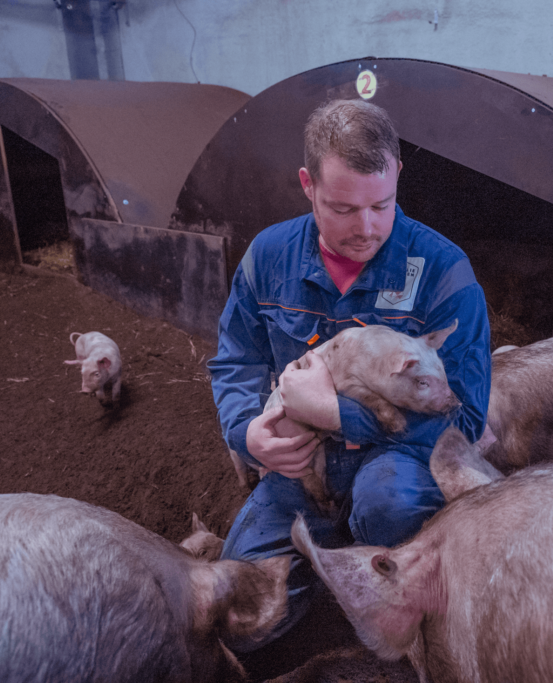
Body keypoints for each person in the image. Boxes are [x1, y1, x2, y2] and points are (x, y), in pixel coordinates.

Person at [208, 98, 492, 647]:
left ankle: (396, 600)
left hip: (397, 464)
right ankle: (329, 577)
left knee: (391, 506)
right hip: (298, 465)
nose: (366, 228)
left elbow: (467, 419)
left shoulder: (442, 270)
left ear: (398, 177)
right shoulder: (268, 257)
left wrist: (340, 415)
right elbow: (236, 358)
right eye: (341, 209)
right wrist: (247, 433)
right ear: (307, 184)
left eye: (381, 205)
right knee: (243, 624)